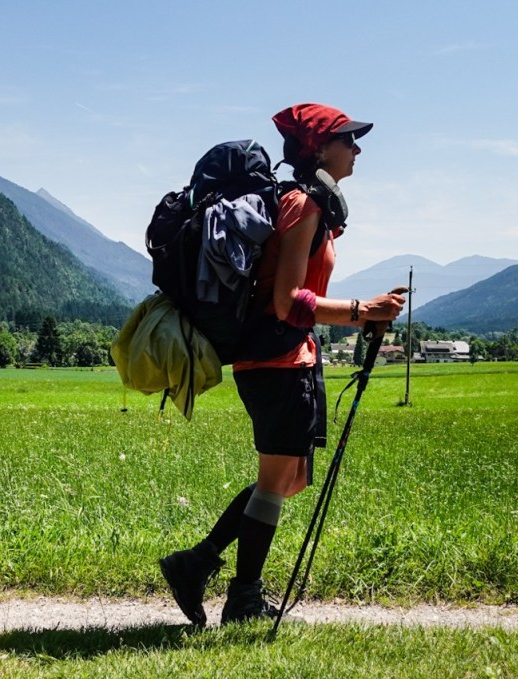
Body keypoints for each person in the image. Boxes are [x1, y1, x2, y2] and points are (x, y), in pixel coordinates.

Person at [160, 103, 406, 625]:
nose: (357, 150)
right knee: (275, 481)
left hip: (287, 356)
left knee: (289, 477)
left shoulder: (311, 206)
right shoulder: (304, 206)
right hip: (277, 359)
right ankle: (241, 595)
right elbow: (287, 300)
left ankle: (197, 563)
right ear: (319, 148)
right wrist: (364, 312)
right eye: (349, 140)